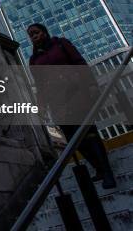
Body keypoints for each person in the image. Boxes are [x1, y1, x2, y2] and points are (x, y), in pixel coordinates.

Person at [27, 23, 116, 189]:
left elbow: (79, 63)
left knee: (88, 132)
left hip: (77, 94)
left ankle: (107, 172)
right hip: (57, 103)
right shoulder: (34, 60)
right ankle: (98, 167)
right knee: (74, 139)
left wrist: (91, 84)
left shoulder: (61, 44)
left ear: (44, 32)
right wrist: (41, 107)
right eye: (31, 35)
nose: (34, 36)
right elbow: (40, 86)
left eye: (36, 32)